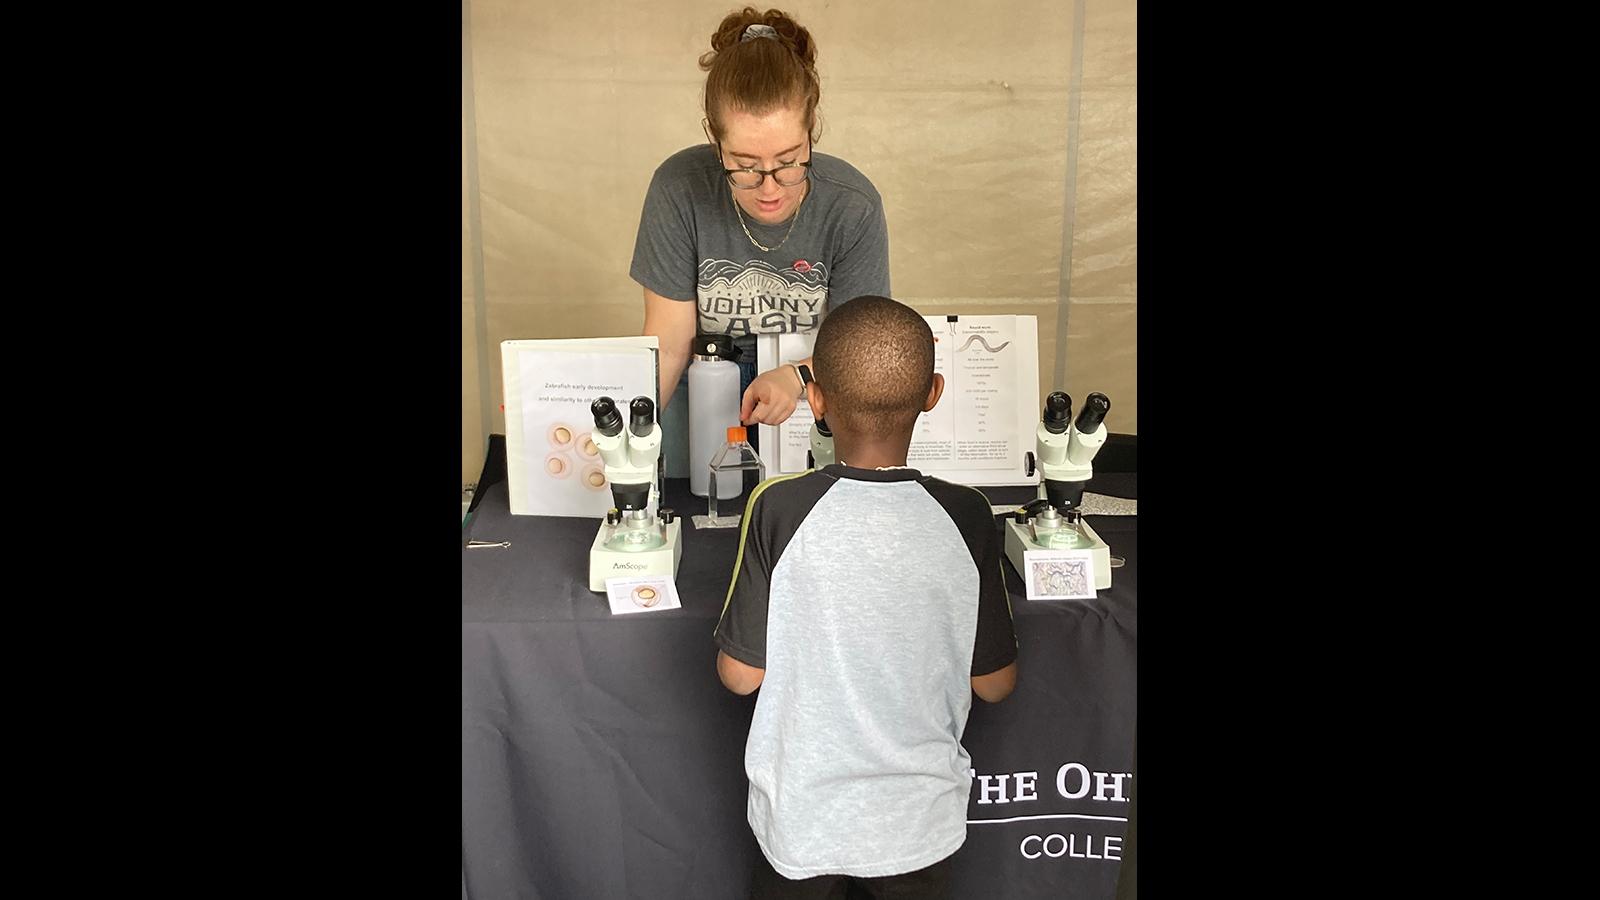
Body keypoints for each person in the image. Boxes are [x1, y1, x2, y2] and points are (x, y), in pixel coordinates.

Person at [713, 296, 1019, 899]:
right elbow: (995, 683)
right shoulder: (969, 514)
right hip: (919, 821)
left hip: (802, 819)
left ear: (817, 400)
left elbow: (740, 675)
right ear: (932, 393)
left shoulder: (777, 506)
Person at [632, 6, 891, 430]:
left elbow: (858, 348)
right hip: (699, 396)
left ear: (812, 132)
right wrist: (633, 439)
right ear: (716, 144)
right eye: (745, 166)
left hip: (811, 397)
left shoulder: (852, 205)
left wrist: (798, 374)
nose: (770, 189)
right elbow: (670, 345)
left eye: (789, 162)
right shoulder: (678, 188)